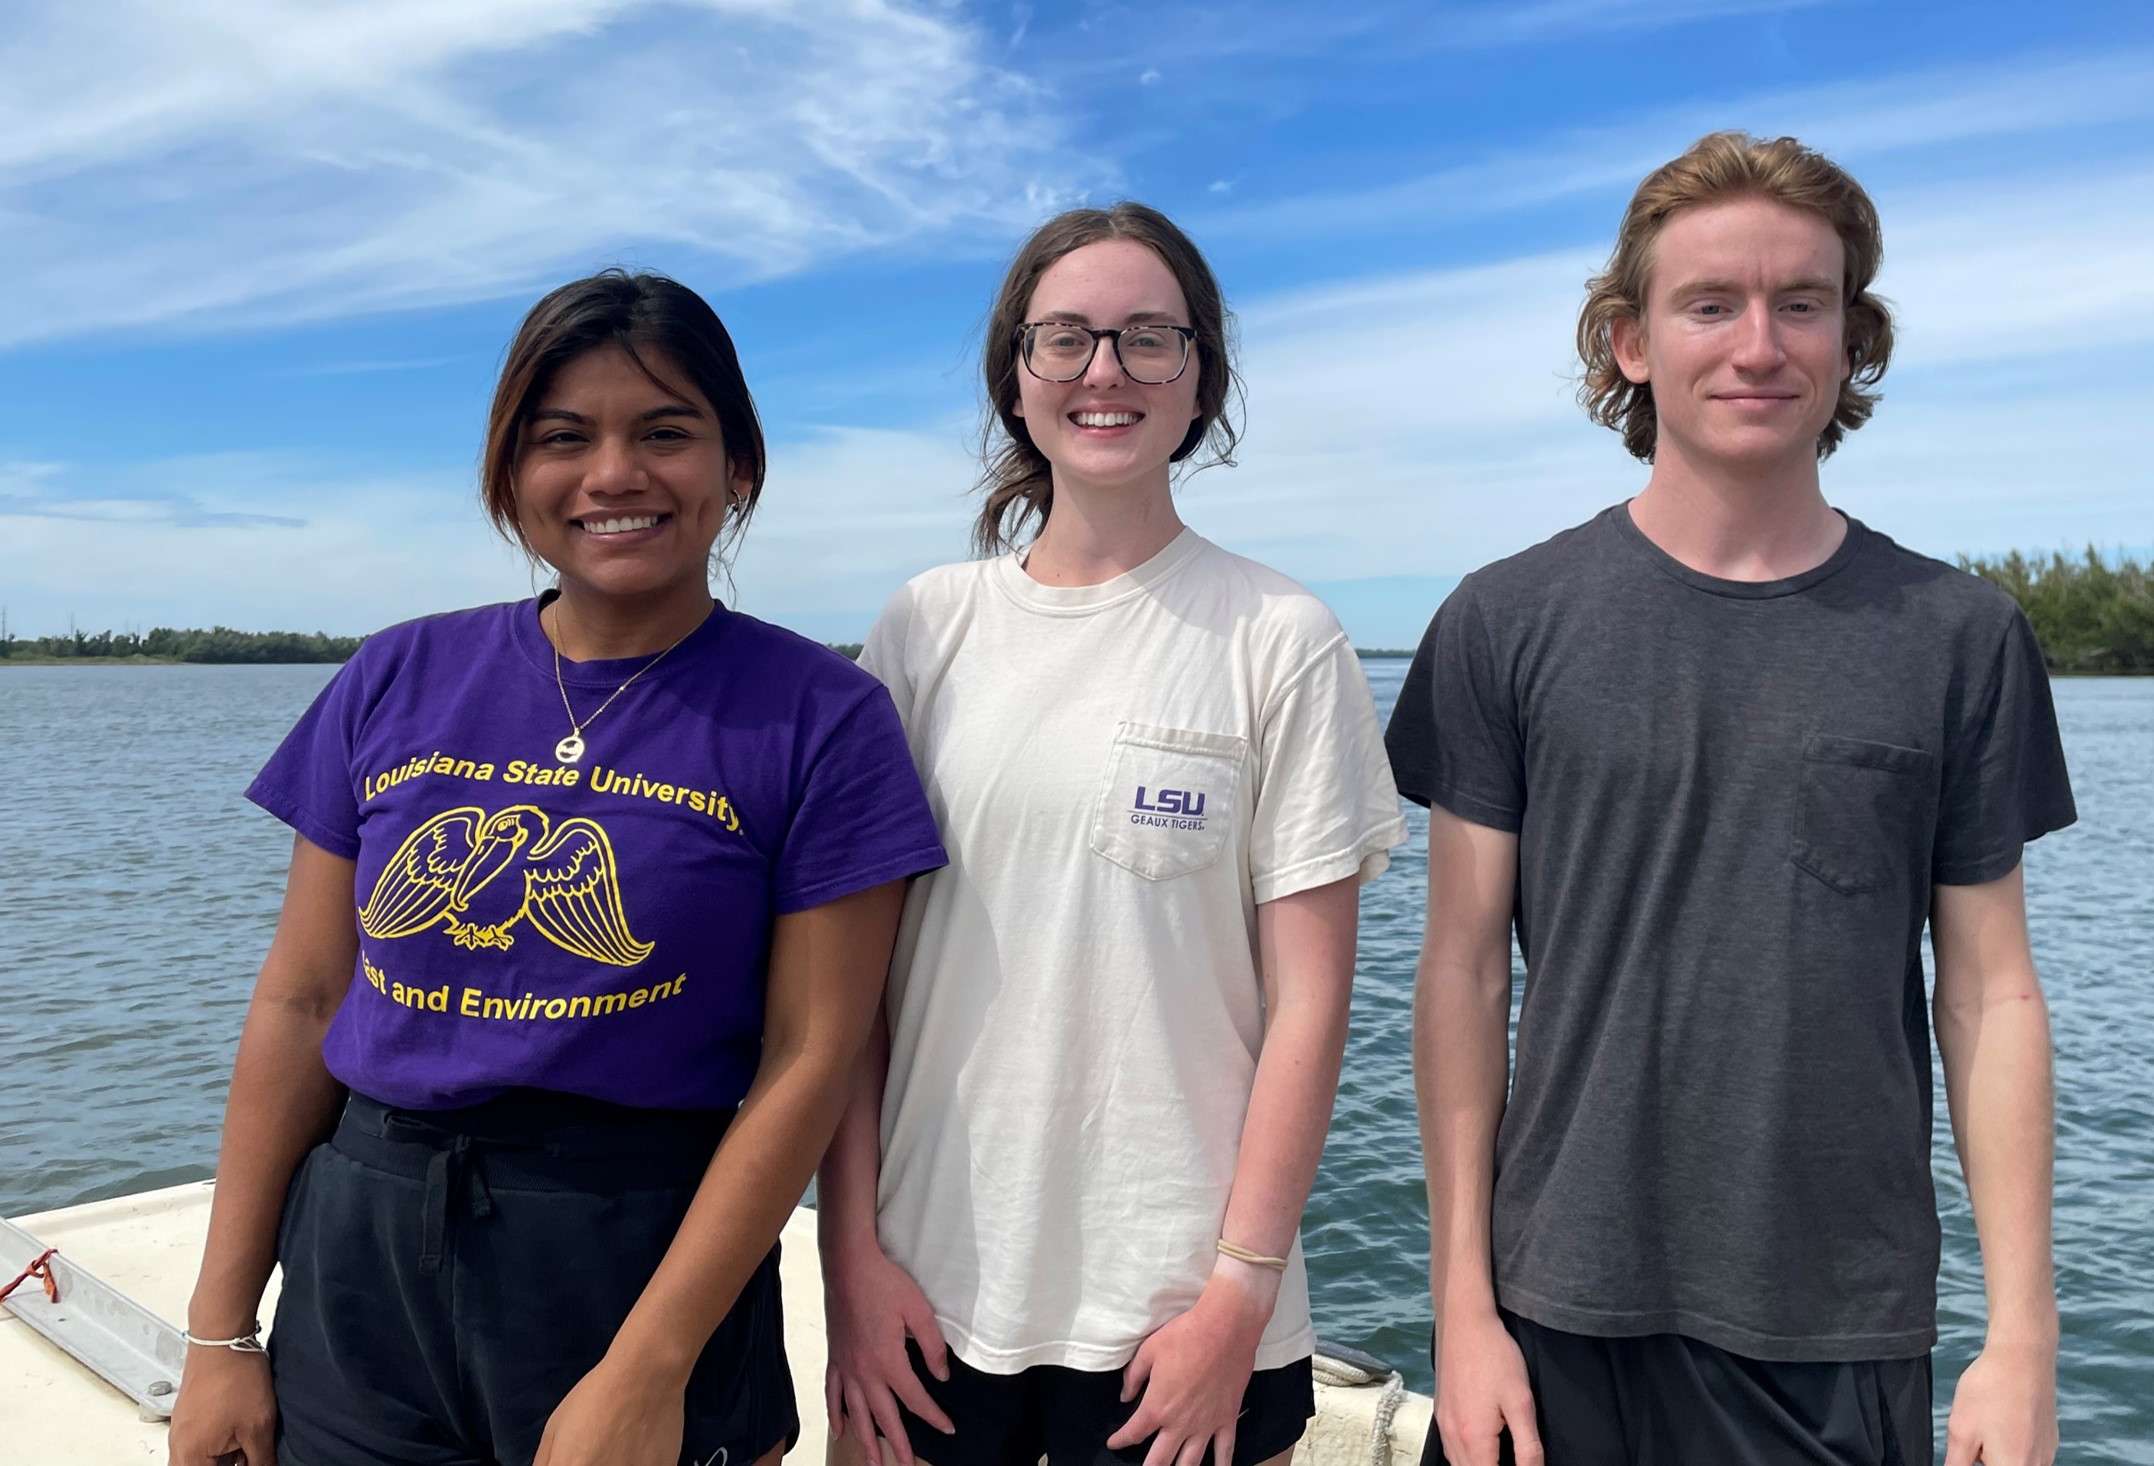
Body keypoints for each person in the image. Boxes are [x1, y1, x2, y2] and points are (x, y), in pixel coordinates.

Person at [167, 270, 948, 1466]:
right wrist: (222, 1335)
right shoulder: (394, 676)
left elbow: (808, 1054)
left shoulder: (818, 716)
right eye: (563, 438)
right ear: (509, 474)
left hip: (636, 1245)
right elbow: (304, 998)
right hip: (363, 1244)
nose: (614, 474)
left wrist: (649, 1369)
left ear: (738, 465)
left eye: (666, 432)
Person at [1388, 132, 2076, 1466]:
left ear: (1850, 340)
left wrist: (2022, 1336)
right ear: (1631, 341)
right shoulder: (1501, 620)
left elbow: (1993, 989)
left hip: (1833, 1330)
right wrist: (1461, 1312)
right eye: (1711, 304)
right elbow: (1464, 976)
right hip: (1549, 1314)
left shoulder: (1959, 633)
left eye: (1800, 302)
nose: (1758, 344)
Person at [814, 202, 1408, 1466]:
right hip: (926, 1300)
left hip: (1179, 1323)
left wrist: (1240, 1297)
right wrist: (848, 1260)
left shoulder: (1278, 635)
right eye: (1066, 338)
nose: (1106, 372)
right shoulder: (922, 631)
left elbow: (1312, 1003)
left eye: (1150, 338)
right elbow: (850, 994)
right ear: (1013, 377)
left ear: (1202, 380)